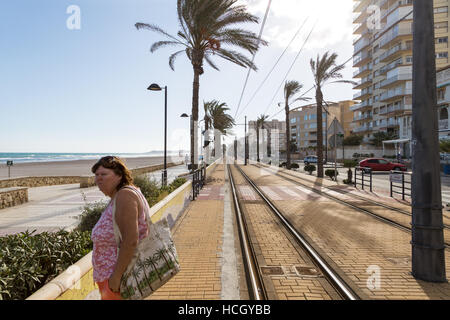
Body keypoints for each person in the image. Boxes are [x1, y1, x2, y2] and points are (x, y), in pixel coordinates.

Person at [90, 156, 150, 300]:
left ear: (119, 176)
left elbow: (130, 240)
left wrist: (116, 278)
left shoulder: (125, 195)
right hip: (112, 278)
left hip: (118, 279)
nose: (98, 179)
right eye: (96, 175)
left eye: (104, 174)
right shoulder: (118, 197)